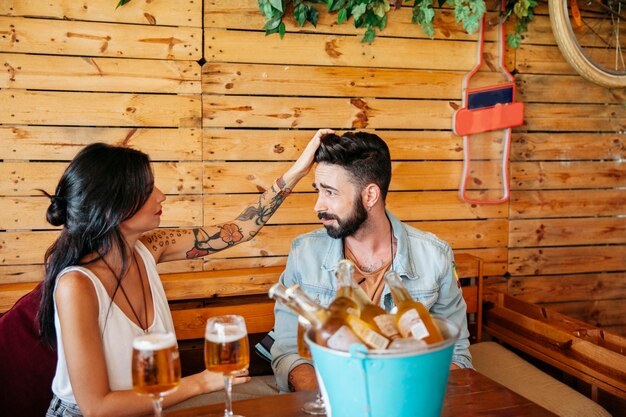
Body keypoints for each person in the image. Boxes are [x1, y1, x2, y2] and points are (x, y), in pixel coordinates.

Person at [38, 129, 333, 417]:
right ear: (112, 207)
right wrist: (202, 382)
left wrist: (298, 170)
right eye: (147, 188)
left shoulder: (150, 247)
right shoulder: (77, 285)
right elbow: (98, 408)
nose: (161, 195)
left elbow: (240, 230)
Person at [271, 131, 472, 392]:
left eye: (330, 192)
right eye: (318, 191)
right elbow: (288, 352)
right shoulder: (304, 253)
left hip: (408, 393)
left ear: (370, 196)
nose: (318, 205)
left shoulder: (435, 256)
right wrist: (327, 403)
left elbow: (457, 355)